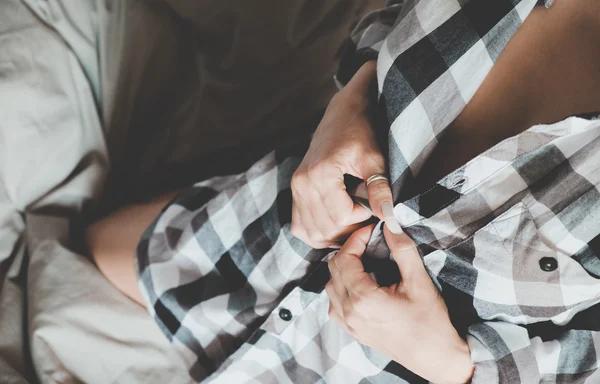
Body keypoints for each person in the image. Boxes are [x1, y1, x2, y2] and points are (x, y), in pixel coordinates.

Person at [87, 0, 600, 382]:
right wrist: (348, 102)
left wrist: (456, 368)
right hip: (290, 227)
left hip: (379, 367)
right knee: (93, 242)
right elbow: (389, 22)